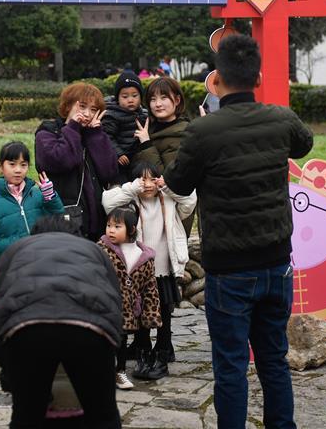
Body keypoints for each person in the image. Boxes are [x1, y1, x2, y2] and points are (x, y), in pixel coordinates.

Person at [163, 34, 314, 429]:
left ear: (216, 79)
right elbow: (304, 144)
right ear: (258, 77)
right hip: (277, 261)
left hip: (228, 268)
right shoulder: (281, 119)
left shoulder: (204, 131)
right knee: (273, 359)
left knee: (231, 365)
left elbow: (177, 184)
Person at [0, 215, 123, 429]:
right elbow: (115, 302)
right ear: (76, 235)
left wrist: (10, 372)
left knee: (26, 417)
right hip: (90, 329)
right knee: (103, 416)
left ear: (33, 235)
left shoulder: (16, 249)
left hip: (26, 329)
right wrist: (110, 351)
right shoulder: (93, 250)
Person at [102, 162, 195, 380]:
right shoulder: (131, 203)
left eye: (152, 178)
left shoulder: (169, 200)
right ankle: (143, 354)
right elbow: (107, 202)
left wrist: (168, 186)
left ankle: (163, 355)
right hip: (141, 272)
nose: (147, 184)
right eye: (142, 179)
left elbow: (190, 201)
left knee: (163, 314)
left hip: (164, 270)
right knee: (142, 314)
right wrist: (133, 187)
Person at [0, 140, 64, 303]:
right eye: (12, 164)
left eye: (23, 165)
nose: (18, 170)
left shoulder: (37, 195)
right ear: (1, 166)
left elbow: (58, 221)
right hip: (10, 274)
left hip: (40, 268)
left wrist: (50, 198)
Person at [35, 83, 118, 241]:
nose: (87, 114)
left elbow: (110, 172)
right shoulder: (47, 132)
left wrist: (96, 135)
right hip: (64, 220)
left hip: (96, 222)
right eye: (82, 106)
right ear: (68, 106)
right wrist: (72, 127)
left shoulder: (93, 134)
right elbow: (61, 161)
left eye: (93, 110)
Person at [96, 206, 161, 390]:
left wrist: (150, 313)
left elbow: (150, 287)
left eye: (117, 226)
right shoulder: (102, 250)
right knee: (105, 339)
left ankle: (120, 371)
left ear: (131, 229)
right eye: (109, 225)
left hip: (129, 309)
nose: (111, 230)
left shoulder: (144, 256)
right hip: (106, 305)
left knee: (122, 340)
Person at [134, 77, 194, 236]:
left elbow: (167, 176)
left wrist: (146, 143)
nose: (157, 104)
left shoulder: (184, 133)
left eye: (164, 97)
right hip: (147, 208)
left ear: (177, 100)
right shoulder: (148, 128)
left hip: (171, 211)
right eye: (152, 99)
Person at [101, 71, 148, 182]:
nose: (130, 100)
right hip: (119, 160)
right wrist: (118, 153)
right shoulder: (112, 114)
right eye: (125, 96)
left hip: (136, 159)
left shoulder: (144, 114)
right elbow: (107, 136)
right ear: (118, 98)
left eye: (135, 95)